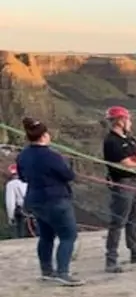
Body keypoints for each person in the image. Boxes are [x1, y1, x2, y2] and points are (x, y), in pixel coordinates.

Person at [15, 118, 82, 285]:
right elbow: (68, 176)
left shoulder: (23, 155)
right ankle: (63, 273)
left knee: (46, 236)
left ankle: (46, 270)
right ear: (44, 136)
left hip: (35, 200)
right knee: (68, 235)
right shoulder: (52, 156)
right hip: (56, 199)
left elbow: (22, 178)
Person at [102, 106, 136, 273]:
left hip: (134, 181)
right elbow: (128, 164)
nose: (130, 123)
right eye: (128, 119)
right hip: (122, 183)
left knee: (134, 218)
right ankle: (111, 260)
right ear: (120, 121)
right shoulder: (111, 142)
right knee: (118, 221)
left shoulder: (131, 140)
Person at [5, 163, 30, 238]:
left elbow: (10, 202)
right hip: (34, 210)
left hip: (21, 212)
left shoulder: (11, 184)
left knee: (20, 235)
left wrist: (11, 216)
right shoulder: (29, 181)